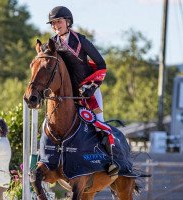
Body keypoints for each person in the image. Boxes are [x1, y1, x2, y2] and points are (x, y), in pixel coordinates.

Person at [46, 6, 118, 175]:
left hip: (88, 90)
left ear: (68, 22)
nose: (56, 25)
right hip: (66, 94)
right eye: (53, 23)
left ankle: (111, 161)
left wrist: (92, 87)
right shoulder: (52, 44)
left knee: (99, 122)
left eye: (59, 21)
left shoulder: (81, 41)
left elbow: (101, 64)